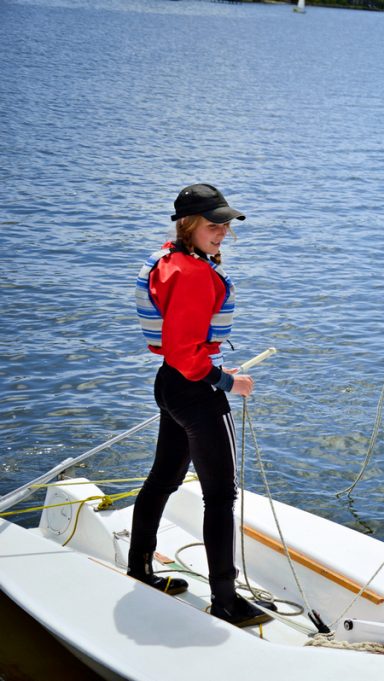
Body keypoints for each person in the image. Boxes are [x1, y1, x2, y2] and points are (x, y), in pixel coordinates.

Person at [129, 183, 271, 628]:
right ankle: (227, 602)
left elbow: (175, 352)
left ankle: (140, 567)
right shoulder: (192, 275)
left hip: (170, 388)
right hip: (195, 391)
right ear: (187, 225)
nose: (223, 231)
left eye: (226, 223)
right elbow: (184, 352)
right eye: (214, 224)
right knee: (220, 497)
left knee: (164, 478)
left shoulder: (169, 260)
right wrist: (230, 382)